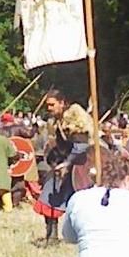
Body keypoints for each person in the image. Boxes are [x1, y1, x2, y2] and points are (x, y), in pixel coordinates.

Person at [34, 90, 94, 244]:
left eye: (52, 104)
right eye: (47, 105)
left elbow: (81, 146)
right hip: (66, 165)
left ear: (62, 103)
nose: (49, 108)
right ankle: (52, 236)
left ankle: (89, 236)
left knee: (85, 205)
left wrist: (67, 164)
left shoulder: (75, 119)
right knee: (48, 196)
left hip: (82, 167)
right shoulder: (58, 121)